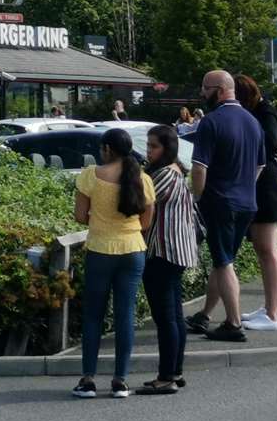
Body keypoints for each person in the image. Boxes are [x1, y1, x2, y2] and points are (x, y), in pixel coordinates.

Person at [71, 128, 155, 400]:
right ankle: (120, 380)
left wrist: (100, 218)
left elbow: (80, 216)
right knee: (125, 315)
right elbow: (146, 222)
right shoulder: (142, 179)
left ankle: (88, 379)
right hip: (133, 250)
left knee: (94, 315)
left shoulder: (90, 175)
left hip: (100, 249)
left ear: (107, 149)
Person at [185, 70, 263, 342]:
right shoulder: (253, 122)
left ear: (219, 90)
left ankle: (233, 323)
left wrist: (197, 197)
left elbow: (198, 168)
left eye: (205, 89)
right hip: (247, 202)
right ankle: (205, 315)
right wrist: (244, 185)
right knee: (223, 261)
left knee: (224, 262)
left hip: (219, 202)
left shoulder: (211, 122)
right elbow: (260, 164)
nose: (202, 94)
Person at [140, 125, 199, 394]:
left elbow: (139, 202)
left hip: (164, 250)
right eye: (149, 145)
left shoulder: (163, 174)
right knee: (174, 315)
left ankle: (166, 376)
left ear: (167, 148)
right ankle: (175, 371)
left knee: (165, 317)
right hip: (178, 250)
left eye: (154, 146)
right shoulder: (177, 170)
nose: (149, 151)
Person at [229, 74, 277, 332]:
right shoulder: (261, 111)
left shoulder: (266, 113)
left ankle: (273, 313)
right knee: (263, 251)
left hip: (265, 186)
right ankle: (268, 308)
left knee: (267, 250)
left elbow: (270, 143)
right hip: (259, 185)